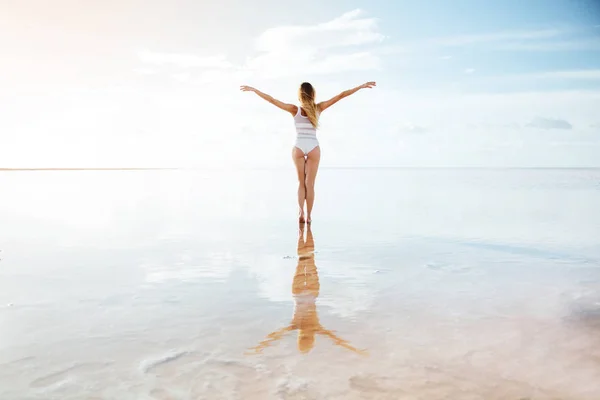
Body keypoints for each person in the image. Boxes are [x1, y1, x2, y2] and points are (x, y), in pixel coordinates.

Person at [240, 81, 376, 223]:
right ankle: (309, 216)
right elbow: (341, 95)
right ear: (313, 94)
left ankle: (301, 212)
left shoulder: (294, 110)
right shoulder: (319, 108)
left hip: (299, 146)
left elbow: (272, 100)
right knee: (310, 184)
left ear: (300, 95)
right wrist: (359, 87)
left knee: (301, 183)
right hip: (313, 147)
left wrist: (255, 90)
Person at [247, 224, 367, 355]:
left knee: (304, 261)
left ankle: (303, 232)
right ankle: (305, 232)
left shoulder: (298, 325)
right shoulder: (312, 327)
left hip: (301, 291)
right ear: (311, 339)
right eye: (305, 339)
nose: (304, 336)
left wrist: (260, 347)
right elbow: (336, 340)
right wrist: (355, 350)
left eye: (303, 339)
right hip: (308, 291)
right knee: (307, 261)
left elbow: (275, 336)